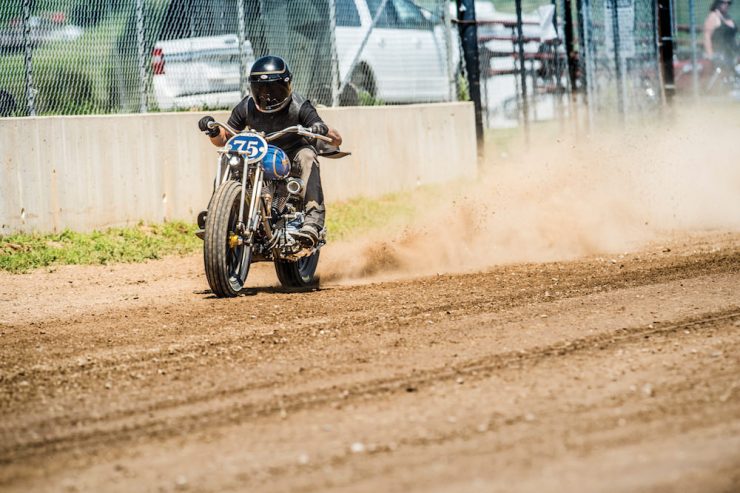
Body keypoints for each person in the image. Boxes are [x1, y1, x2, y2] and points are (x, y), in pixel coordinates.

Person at [197, 55, 342, 248]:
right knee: (228, 157)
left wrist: (320, 128)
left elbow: (333, 137)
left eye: (273, 89)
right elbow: (225, 138)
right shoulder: (247, 106)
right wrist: (214, 130)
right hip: (259, 155)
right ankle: (219, 214)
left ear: (287, 85)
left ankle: (312, 223)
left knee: (308, 156)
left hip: (292, 155)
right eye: (262, 89)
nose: (267, 96)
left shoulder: (299, 105)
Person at [704, 0, 737, 64]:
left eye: (729, 3)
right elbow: (707, 37)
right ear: (717, 3)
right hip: (720, 55)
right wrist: (710, 54)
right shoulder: (713, 17)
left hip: (732, 54)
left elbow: (732, 32)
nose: (726, 5)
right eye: (723, 2)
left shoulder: (727, 16)